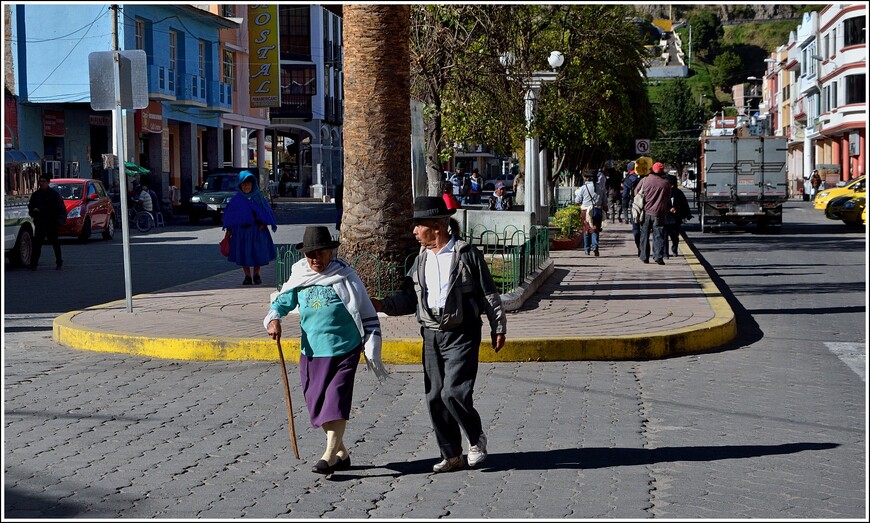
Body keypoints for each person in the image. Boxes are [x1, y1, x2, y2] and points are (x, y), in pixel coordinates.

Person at [371, 196, 506, 473]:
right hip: (431, 335)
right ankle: (452, 455)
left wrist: (498, 326)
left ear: (437, 225)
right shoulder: (420, 259)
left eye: (418, 225)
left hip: (462, 333)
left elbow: (487, 292)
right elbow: (411, 298)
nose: (414, 231)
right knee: (435, 396)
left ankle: (476, 438)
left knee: (454, 392)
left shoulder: (466, 254)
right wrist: (383, 305)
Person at [264, 226, 387, 475]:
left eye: (320, 253)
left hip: (344, 350)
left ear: (330, 252)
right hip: (311, 352)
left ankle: (328, 456)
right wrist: (274, 318)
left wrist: (369, 343)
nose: (315, 259)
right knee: (317, 405)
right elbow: (282, 301)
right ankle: (342, 453)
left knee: (336, 401)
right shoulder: (300, 276)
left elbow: (364, 309)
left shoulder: (345, 276)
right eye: (310, 255)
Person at [222, 170, 278, 285]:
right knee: (243, 253)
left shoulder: (259, 198)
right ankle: (247, 276)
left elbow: (267, 212)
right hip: (241, 232)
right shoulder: (236, 201)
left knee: (258, 252)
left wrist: (263, 223)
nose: (246, 186)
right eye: (243, 184)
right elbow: (230, 217)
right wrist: (228, 233)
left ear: (253, 184)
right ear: (239, 185)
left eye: (248, 184)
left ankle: (256, 275)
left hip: (257, 231)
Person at [27, 176, 66, 271]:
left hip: (51, 222)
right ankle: (34, 264)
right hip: (40, 222)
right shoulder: (36, 195)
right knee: (37, 244)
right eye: (40, 181)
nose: (41, 183)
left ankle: (59, 262)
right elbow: (31, 206)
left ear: (48, 182)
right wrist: (33, 211)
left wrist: (59, 222)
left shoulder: (54, 194)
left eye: (44, 181)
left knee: (55, 243)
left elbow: (61, 209)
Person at [636, 162, 672, 265]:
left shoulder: (644, 180)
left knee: (644, 235)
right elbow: (668, 198)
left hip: (646, 212)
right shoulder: (666, 184)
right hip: (659, 213)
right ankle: (658, 257)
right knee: (658, 235)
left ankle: (644, 257)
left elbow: (636, 192)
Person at [574, 172, 604, 256]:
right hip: (597, 210)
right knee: (595, 229)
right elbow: (604, 201)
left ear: (586, 178)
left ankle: (587, 249)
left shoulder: (583, 188)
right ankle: (595, 246)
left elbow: (577, 200)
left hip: (586, 211)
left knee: (586, 229)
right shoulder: (600, 187)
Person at [664, 174, 692, 257]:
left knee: (674, 236)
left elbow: (684, 204)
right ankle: (665, 253)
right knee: (664, 236)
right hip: (665, 217)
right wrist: (668, 209)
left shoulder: (679, 193)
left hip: (676, 218)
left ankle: (674, 249)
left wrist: (685, 213)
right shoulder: (663, 192)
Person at [622, 161, 638, 226]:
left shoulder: (627, 179)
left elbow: (625, 193)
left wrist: (624, 197)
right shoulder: (640, 177)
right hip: (642, 198)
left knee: (632, 212)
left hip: (632, 198)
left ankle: (633, 224)